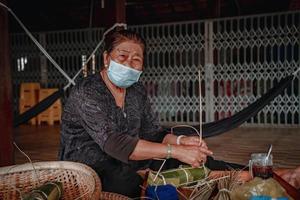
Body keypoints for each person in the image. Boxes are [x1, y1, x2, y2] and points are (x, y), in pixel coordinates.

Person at [59, 28, 216, 198]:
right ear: (106, 58)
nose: (128, 64)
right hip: (89, 167)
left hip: (130, 162)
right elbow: (115, 143)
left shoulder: (136, 91)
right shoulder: (88, 90)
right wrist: (175, 151)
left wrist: (182, 142)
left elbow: (153, 133)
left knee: (194, 162)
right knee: (129, 183)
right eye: (122, 56)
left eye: (136, 59)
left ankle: (227, 176)